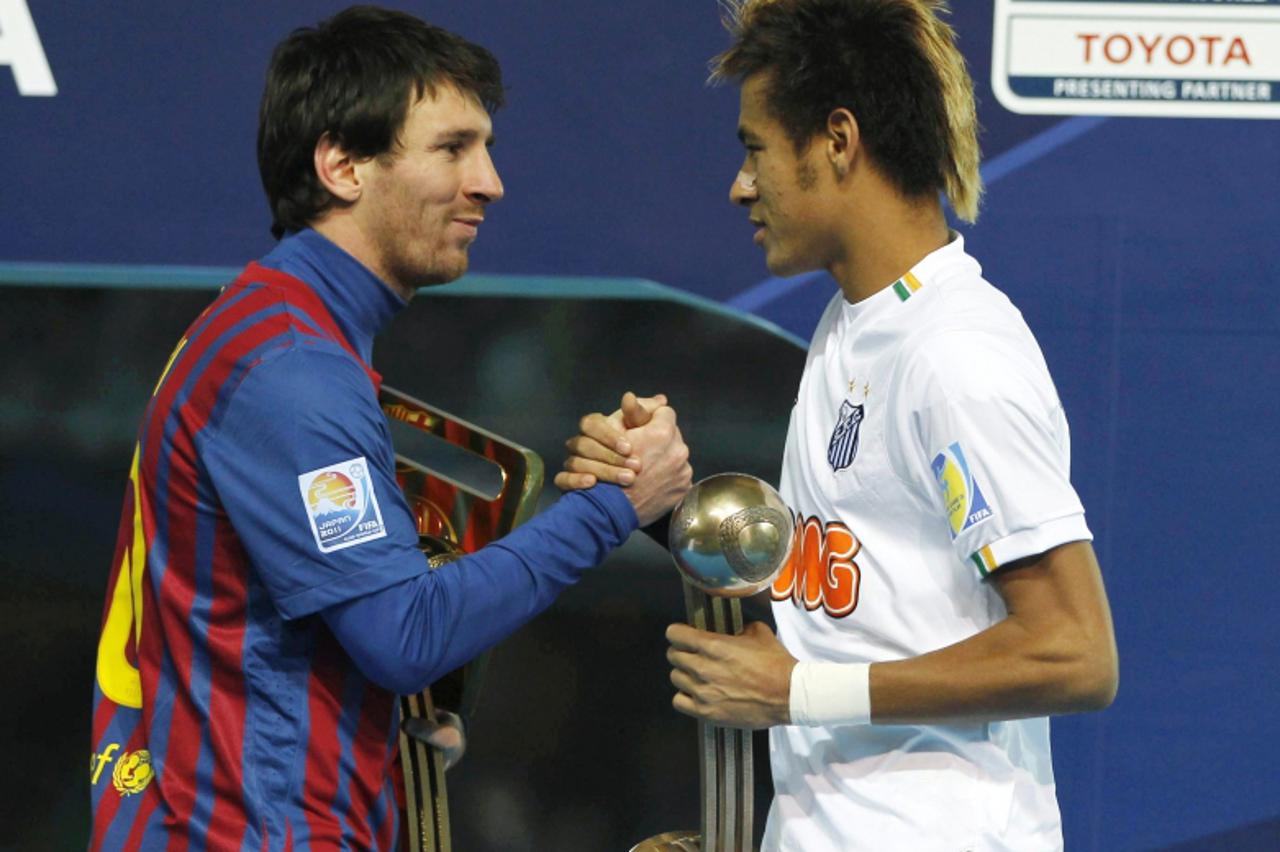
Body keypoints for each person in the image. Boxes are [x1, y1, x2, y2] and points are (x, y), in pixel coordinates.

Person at [87, 6, 691, 849]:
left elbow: (274, 620)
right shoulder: (292, 371)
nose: (490, 182)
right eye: (452, 148)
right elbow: (402, 636)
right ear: (342, 165)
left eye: (485, 148)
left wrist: (377, 730)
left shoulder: (265, 330)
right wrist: (614, 506)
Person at [558, 1, 1119, 849]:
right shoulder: (850, 325)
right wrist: (657, 502)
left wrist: (795, 694)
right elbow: (852, 597)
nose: (739, 185)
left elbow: (1074, 653)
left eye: (755, 150)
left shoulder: (956, 355)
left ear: (838, 141)